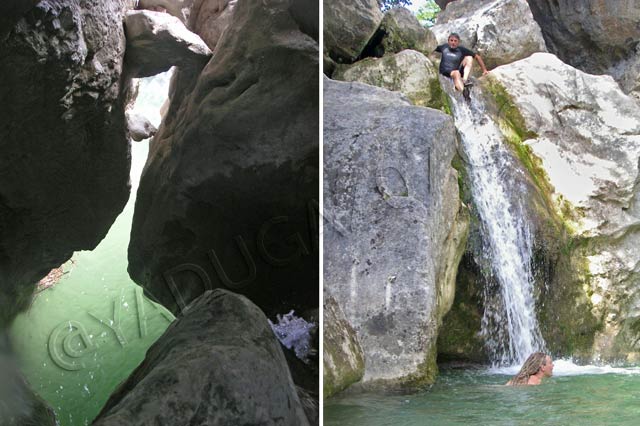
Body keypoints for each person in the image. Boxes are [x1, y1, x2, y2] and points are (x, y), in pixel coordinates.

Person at [434, 33, 489, 100]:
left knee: (469, 57)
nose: (453, 42)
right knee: (456, 73)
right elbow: (431, 47)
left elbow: (477, 57)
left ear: (458, 42)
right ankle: (463, 91)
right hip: (445, 71)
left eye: (455, 41)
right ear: (448, 41)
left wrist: (484, 70)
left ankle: (464, 80)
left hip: (456, 71)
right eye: (451, 40)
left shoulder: (461, 50)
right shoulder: (444, 47)